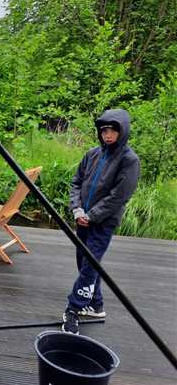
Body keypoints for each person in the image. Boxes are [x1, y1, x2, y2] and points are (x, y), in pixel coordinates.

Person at [62, 108, 140, 335]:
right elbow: (76, 182)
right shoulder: (92, 154)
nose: (107, 134)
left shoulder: (129, 160)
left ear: (122, 131)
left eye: (113, 130)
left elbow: (119, 196)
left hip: (102, 223)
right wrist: (77, 208)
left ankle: (73, 310)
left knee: (89, 267)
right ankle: (96, 305)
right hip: (82, 219)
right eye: (104, 130)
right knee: (83, 262)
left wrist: (92, 215)